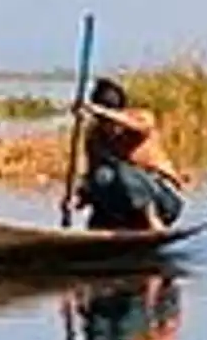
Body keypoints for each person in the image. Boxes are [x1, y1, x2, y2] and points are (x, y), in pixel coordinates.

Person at [75, 77, 187, 231]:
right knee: (101, 175)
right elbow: (92, 172)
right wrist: (78, 199)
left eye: (109, 120)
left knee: (122, 169)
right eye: (101, 121)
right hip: (126, 203)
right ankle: (112, 224)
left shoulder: (141, 118)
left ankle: (152, 221)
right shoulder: (95, 136)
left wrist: (102, 111)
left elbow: (139, 126)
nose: (107, 127)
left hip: (164, 201)